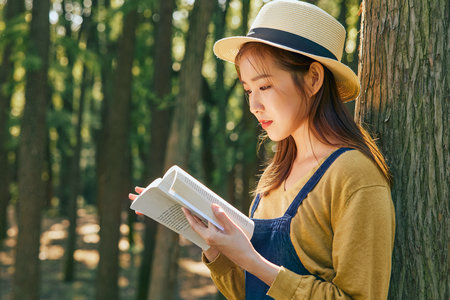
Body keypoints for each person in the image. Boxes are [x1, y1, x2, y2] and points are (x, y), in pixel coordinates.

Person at [131, 0, 395, 299]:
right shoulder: (275, 175)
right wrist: (216, 248)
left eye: (265, 86)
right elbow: (251, 291)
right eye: (247, 90)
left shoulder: (354, 176)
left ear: (313, 79)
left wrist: (252, 261)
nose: (254, 106)